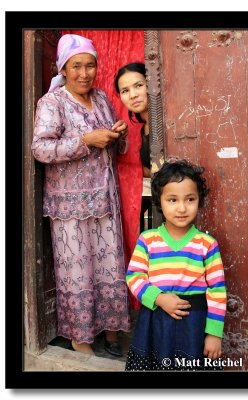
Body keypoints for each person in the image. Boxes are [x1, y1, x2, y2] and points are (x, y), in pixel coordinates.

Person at [31, 34, 131, 357]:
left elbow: (116, 149)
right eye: (77, 66)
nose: (85, 73)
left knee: (109, 270)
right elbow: (40, 149)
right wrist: (86, 140)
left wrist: (119, 136)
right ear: (64, 68)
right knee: (78, 275)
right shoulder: (53, 102)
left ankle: (112, 334)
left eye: (90, 65)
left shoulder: (101, 98)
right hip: (70, 207)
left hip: (105, 201)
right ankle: (82, 340)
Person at [125, 159, 227, 370]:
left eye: (190, 199)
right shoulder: (148, 240)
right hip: (155, 321)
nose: (181, 208)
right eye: (172, 200)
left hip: (194, 325)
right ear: (159, 201)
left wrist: (214, 334)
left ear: (199, 200)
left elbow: (217, 291)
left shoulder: (207, 245)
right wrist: (159, 299)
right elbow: (134, 277)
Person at [114, 62, 151, 231]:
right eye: (125, 91)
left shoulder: (168, 124)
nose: (133, 95)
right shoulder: (142, 129)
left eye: (139, 86)